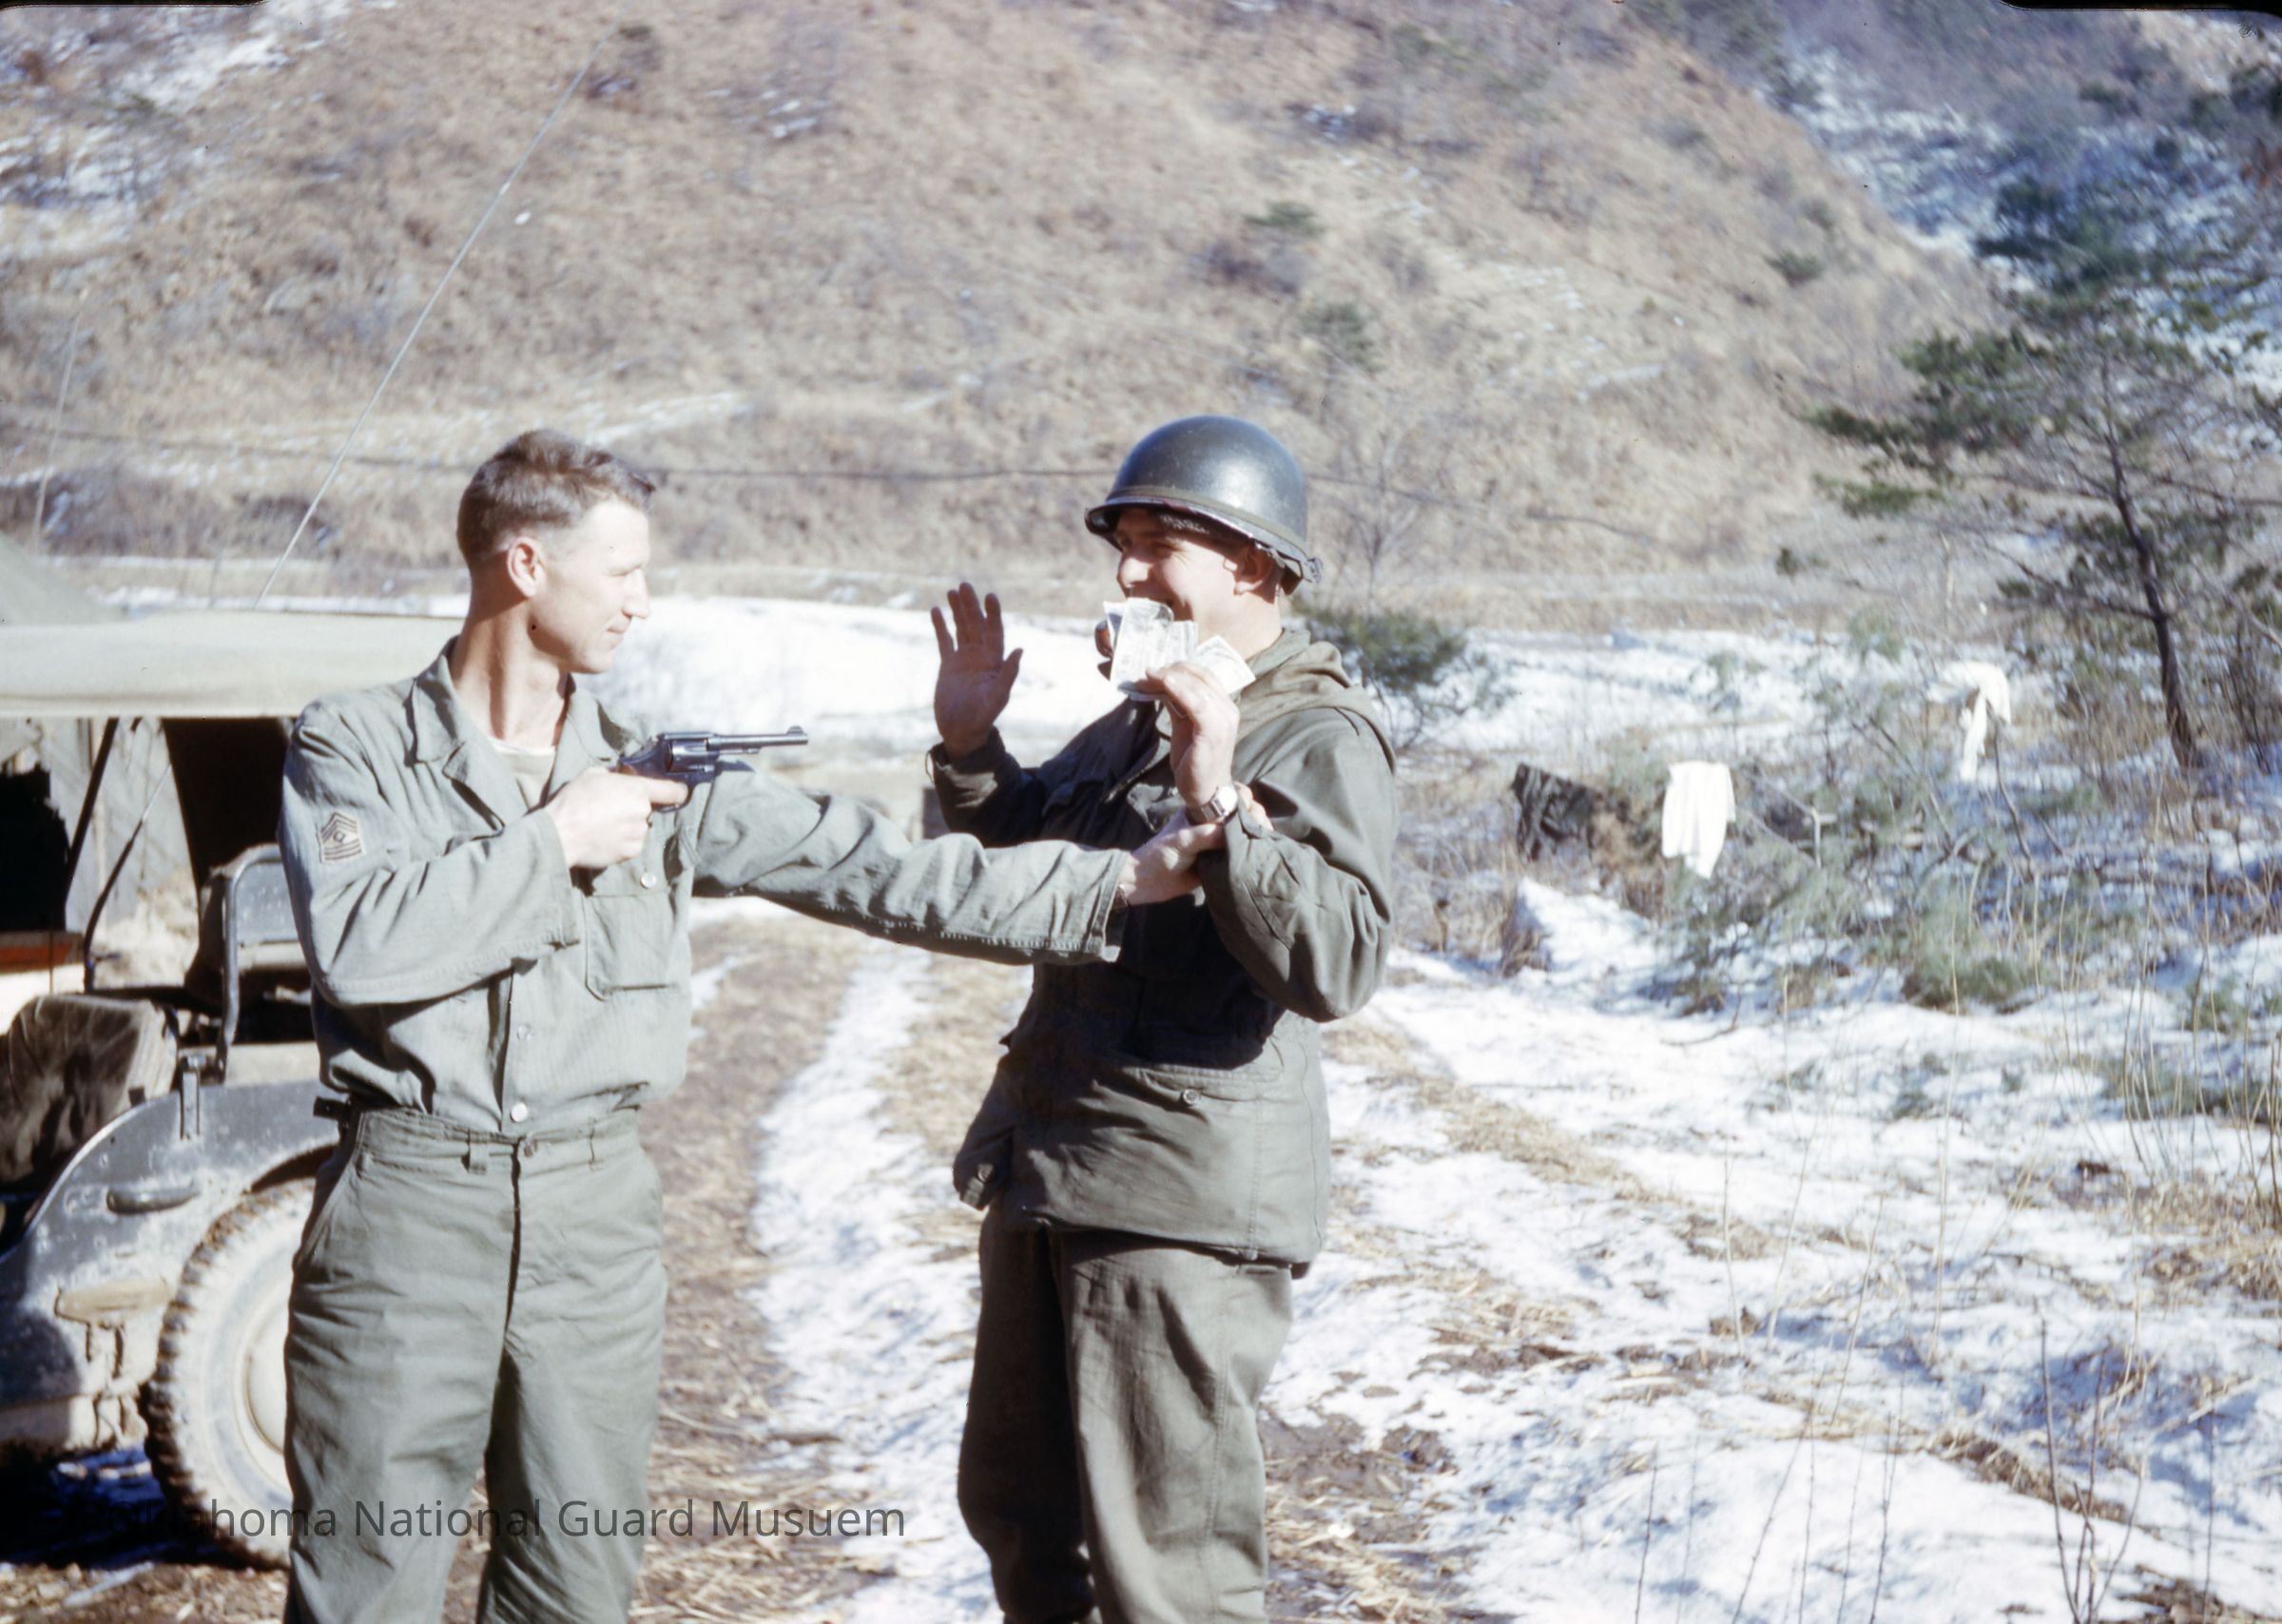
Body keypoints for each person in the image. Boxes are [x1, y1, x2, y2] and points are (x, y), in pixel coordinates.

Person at [274, 428, 1222, 1624]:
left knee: (576, 1588)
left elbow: (879, 869)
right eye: (622, 572)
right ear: (524, 566)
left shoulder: (651, 777)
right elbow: (359, 942)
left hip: (592, 1227)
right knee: (364, 1583)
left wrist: (1113, 883)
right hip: (407, 1217)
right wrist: (556, 841)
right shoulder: (353, 747)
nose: (642, 600)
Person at [927, 415, 1400, 1623]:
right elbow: (1029, 863)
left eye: (1158, 546)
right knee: (1024, 1520)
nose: (1128, 573)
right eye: (1121, 546)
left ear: (1255, 564)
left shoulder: (1316, 731)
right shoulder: (1144, 712)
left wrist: (1221, 798)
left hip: (1173, 1206)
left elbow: (1339, 961)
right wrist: (973, 745)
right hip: (1055, 1162)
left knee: (1168, 1569)